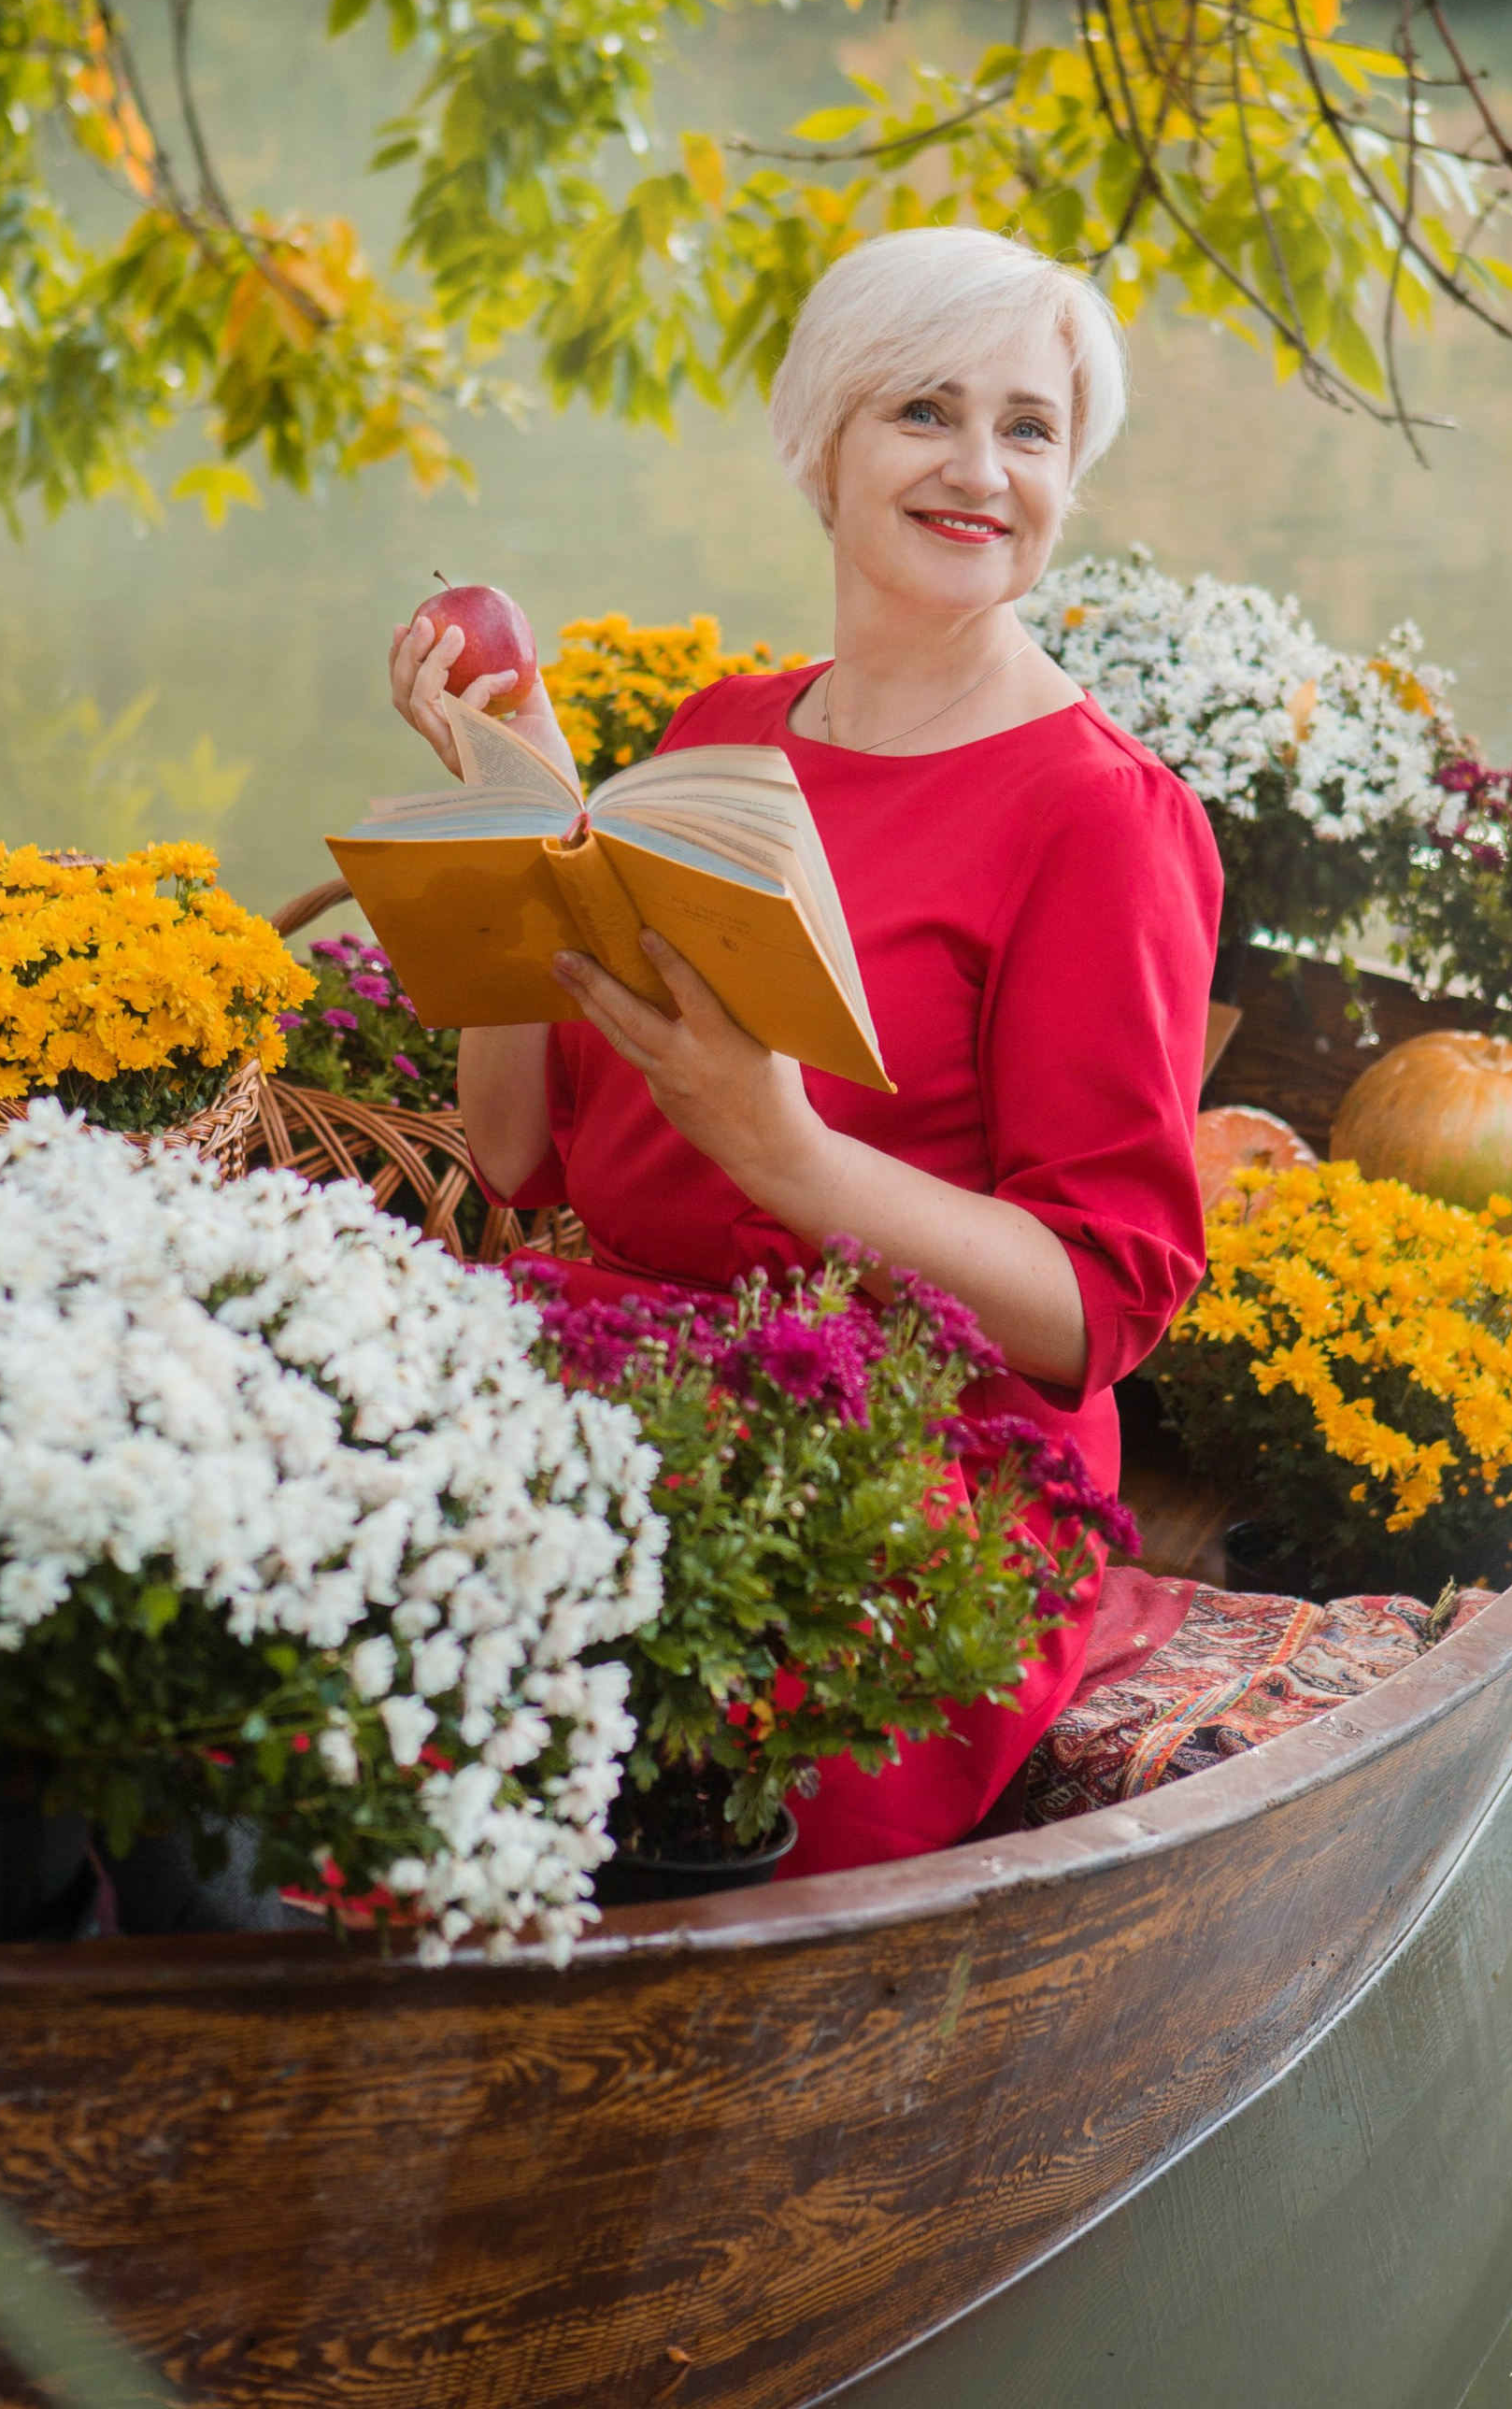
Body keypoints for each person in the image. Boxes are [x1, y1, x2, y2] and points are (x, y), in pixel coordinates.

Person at [387, 225, 1220, 1870]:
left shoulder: (1100, 817)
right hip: (601, 1362)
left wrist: (786, 1157)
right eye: (923, 411)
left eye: (1030, 428)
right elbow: (514, 1150)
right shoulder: (718, 740)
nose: (981, 468)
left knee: (674, 1809)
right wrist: (518, 821)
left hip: (905, 1455)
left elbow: (1100, 1306)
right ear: (820, 447)